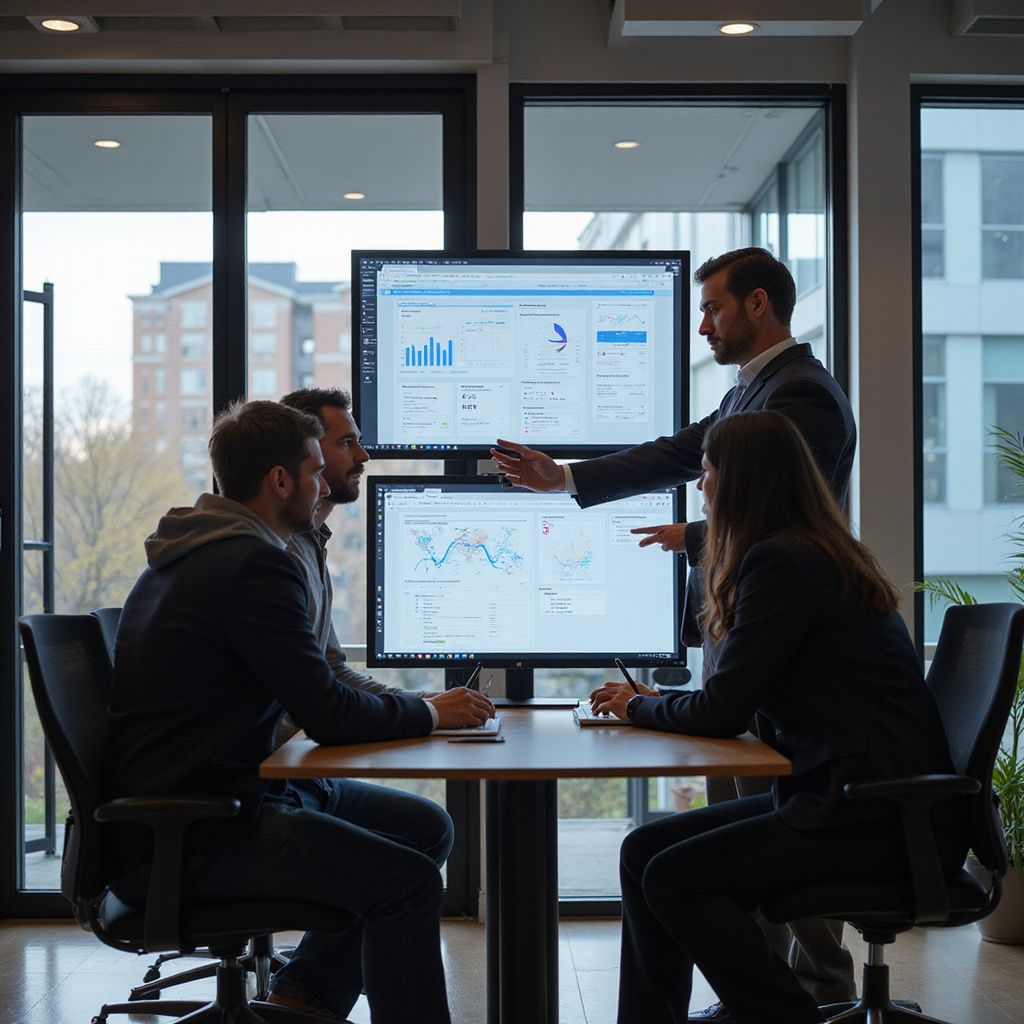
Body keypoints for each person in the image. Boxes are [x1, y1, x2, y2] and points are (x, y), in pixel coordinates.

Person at [491, 247, 858, 1019]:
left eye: (713, 307)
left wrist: (693, 537)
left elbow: (788, 514)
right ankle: (758, 997)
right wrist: (567, 477)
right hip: (750, 651)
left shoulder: (802, 395)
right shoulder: (751, 390)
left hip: (789, 670)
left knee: (768, 851)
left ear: (758, 304)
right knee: (735, 848)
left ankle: (817, 997)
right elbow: (681, 453)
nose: (703, 325)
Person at [105, 400, 494, 1024]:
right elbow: (328, 713)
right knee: (408, 885)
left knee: (423, 828)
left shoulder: (206, 549)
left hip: (233, 795)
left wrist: (414, 708)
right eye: (315, 472)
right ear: (280, 480)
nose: (322, 489)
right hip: (205, 830)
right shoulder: (252, 565)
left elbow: (317, 685)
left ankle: (305, 998)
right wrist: (428, 715)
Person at [588, 410, 966, 1024]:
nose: (701, 485)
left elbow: (721, 711)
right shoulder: (810, 551)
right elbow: (738, 692)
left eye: (708, 471)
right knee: (643, 851)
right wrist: (653, 703)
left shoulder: (783, 563)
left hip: (872, 814)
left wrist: (637, 706)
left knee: (675, 878)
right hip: (856, 796)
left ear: (742, 481)